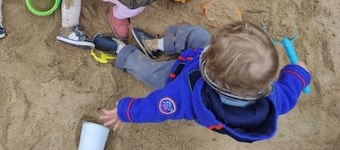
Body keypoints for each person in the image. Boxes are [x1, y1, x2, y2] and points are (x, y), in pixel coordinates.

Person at [93, 21, 311, 142]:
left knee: (151, 73)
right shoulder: (273, 98)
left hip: (177, 74)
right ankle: (159, 44)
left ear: (211, 73)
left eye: (210, 48)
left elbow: (155, 108)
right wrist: (299, 73)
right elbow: (290, 90)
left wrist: (125, 111)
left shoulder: (184, 96)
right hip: (221, 69)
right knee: (196, 33)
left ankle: (124, 54)